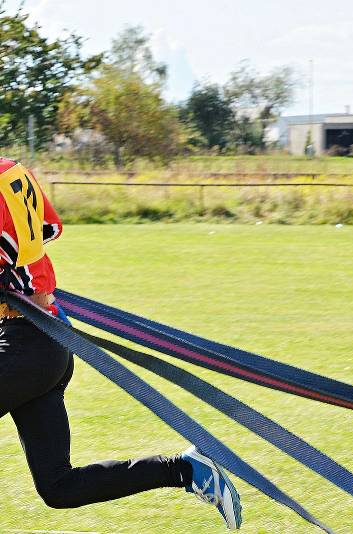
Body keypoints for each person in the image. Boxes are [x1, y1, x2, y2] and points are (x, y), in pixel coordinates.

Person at [0, 158, 242, 529]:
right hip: (45, 339)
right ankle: (185, 469)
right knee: (58, 487)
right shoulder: (11, 172)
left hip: (28, 345)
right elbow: (44, 232)